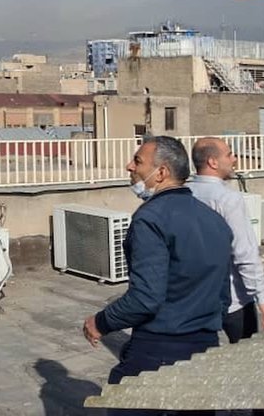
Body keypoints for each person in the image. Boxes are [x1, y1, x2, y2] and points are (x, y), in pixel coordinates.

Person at [83, 136, 232, 405]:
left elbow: (144, 299)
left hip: (159, 350)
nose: (129, 166)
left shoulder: (150, 219)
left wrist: (100, 322)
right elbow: (223, 297)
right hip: (205, 350)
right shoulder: (214, 220)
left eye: (138, 160)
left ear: (161, 172)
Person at [188, 137, 264, 343]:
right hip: (233, 299)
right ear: (213, 162)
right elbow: (244, 253)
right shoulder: (228, 199)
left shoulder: (185, 193)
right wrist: (262, 298)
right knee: (247, 359)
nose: (235, 159)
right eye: (229, 154)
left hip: (194, 297)